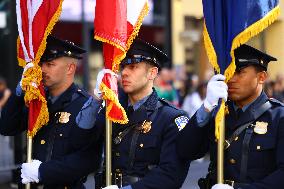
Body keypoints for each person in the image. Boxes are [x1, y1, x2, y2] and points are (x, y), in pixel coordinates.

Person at [0, 36, 105, 189]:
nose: (42, 69)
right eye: (41, 64)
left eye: (50, 64)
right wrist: (20, 91)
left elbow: (88, 160)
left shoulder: (85, 105)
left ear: (70, 68)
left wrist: (42, 172)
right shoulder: (37, 101)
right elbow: (7, 127)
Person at [176, 44, 284, 189]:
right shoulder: (218, 113)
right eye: (228, 72)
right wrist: (206, 107)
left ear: (261, 77)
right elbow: (186, 151)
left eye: (239, 72)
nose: (231, 78)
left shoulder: (278, 117)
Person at [98, 39, 190, 189]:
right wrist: (95, 101)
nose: (125, 73)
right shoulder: (112, 112)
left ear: (152, 73)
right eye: (123, 67)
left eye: (133, 67)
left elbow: (171, 174)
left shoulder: (171, 117)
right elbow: (82, 141)